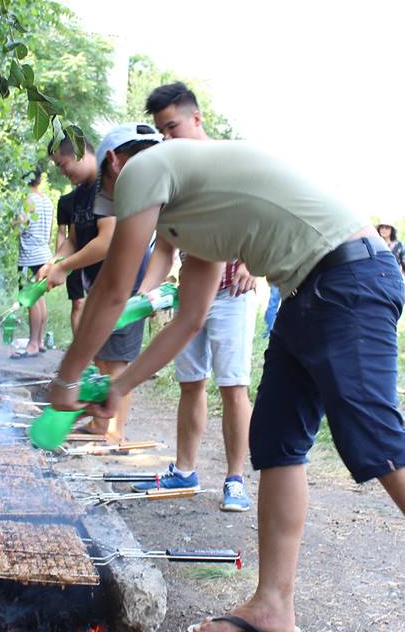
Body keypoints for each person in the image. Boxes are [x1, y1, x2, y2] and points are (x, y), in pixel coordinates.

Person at [48, 131, 405, 632]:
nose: (127, 206)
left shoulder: (144, 168)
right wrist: (122, 384)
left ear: (113, 161)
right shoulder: (192, 213)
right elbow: (190, 318)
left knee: (378, 440)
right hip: (309, 288)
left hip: (348, 277)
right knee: (276, 442)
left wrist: (67, 378)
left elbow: (113, 290)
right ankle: (272, 608)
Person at [132, 82, 258, 512]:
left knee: (233, 386)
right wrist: (143, 297)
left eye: (173, 127)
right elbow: (164, 250)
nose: (167, 138)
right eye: (161, 132)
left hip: (231, 293)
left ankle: (235, 479)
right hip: (190, 298)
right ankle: (184, 469)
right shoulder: (172, 177)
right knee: (191, 383)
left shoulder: (231, 161)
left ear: (197, 118)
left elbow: (260, 218)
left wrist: (251, 263)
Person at [45, 131, 156, 442]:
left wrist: (65, 267)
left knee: (117, 361)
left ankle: (115, 431)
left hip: (127, 282)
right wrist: (55, 263)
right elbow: (75, 240)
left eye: (64, 164)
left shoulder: (107, 187)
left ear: (82, 154)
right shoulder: (79, 194)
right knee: (101, 356)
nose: (62, 171)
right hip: (100, 284)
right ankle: (99, 424)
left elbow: (107, 242)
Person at [13, 169, 53, 358]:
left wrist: (14, 220)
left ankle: (33, 344)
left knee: (31, 300)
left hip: (30, 255)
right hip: (44, 253)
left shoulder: (28, 200)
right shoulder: (46, 200)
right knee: (40, 298)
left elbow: (19, 228)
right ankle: (40, 341)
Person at [56, 192, 86, 335]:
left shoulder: (100, 196)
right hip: (73, 259)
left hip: (97, 257)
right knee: (78, 303)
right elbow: (63, 234)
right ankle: (80, 349)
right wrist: (57, 262)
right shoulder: (65, 201)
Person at [377, 222, 405, 297]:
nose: (384, 230)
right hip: (378, 281)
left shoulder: (398, 245)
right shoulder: (374, 245)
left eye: (387, 227)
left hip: (394, 280)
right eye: (382, 227)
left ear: (392, 230)